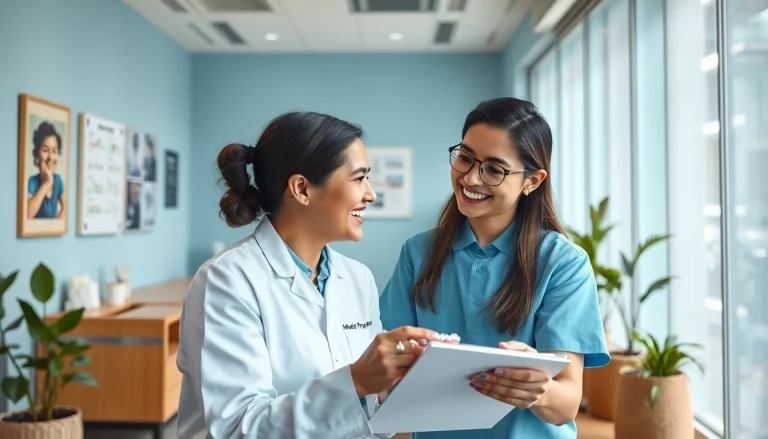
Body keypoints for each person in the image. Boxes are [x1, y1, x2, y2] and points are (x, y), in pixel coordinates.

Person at [176, 111, 447, 439]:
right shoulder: (226, 281)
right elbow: (237, 429)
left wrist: (390, 386)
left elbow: (368, 418)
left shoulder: (357, 279)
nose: (371, 194)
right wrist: (356, 380)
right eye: (359, 178)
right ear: (302, 188)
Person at [378, 97, 610, 439]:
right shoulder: (418, 253)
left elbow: (566, 405)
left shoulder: (563, 264)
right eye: (466, 158)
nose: (471, 178)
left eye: (494, 169)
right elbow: (386, 363)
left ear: (532, 180)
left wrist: (539, 387)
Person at [27, 121, 66, 219]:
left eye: (54, 151)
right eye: (45, 150)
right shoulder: (32, 182)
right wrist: (46, 183)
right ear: (36, 154)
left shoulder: (58, 181)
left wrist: (55, 227)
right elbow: (27, 214)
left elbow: (66, 208)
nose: (50, 157)